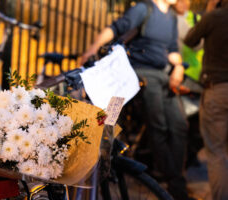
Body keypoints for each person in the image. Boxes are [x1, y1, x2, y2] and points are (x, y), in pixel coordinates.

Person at [80, 0, 192, 199]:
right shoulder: (144, 8)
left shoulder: (172, 17)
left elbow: (173, 49)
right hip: (140, 73)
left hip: (162, 75)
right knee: (159, 126)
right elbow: (116, 28)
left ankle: (177, 182)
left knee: (180, 126)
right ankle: (175, 188)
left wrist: (180, 67)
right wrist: (92, 49)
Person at [184, 0, 228, 199]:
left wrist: (210, 10)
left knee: (216, 152)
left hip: (217, 89)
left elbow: (190, 39)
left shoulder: (214, 17)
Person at [174, 0, 204, 168]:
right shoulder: (169, 18)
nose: (184, 2)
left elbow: (200, 45)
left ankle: (189, 157)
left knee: (196, 126)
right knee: (182, 124)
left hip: (197, 80)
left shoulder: (196, 18)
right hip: (180, 76)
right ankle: (183, 161)